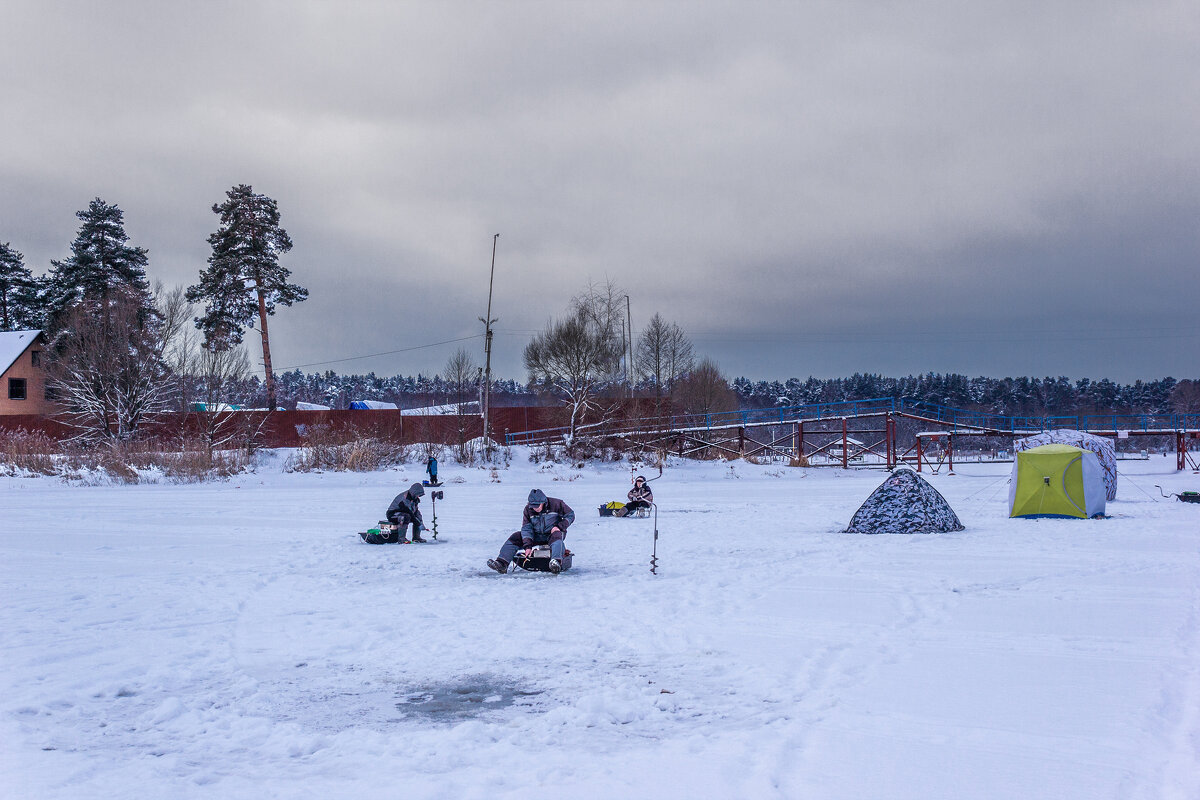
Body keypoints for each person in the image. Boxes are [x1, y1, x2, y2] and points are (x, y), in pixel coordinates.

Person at [487, 489, 574, 574]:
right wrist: (527, 546)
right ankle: (502, 563)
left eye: (537, 506)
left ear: (543, 502)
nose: (535, 508)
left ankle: (556, 562)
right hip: (536, 536)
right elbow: (526, 528)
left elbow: (571, 515)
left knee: (557, 535)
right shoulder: (528, 510)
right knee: (516, 536)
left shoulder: (557, 504)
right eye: (533, 506)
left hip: (553, 534)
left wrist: (559, 526)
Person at [361, 482, 427, 544]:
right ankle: (401, 539)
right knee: (405, 517)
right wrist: (417, 522)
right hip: (393, 514)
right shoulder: (404, 498)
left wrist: (420, 522)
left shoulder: (414, 499)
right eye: (418, 495)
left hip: (406, 513)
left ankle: (416, 537)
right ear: (414, 492)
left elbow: (415, 511)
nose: (418, 496)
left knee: (418, 516)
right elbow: (408, 511)